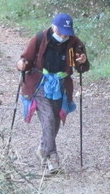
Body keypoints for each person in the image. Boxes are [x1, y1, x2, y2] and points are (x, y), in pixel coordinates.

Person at [16, 13, 89, 174]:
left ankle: (43, 149)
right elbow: (25, 59)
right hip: (39, 83)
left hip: (61, 86)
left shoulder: (75, 42)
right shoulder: (40, 38)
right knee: (48, 118)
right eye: (61, 31)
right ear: (54, 27)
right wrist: (21, 64)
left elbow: (83, 68)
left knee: (55, 121)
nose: (64, 35)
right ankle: (52, 157)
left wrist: (82, 62)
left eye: (67, 32)